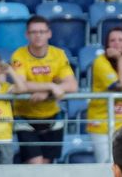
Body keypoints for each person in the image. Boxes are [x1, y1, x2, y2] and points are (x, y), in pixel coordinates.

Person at [11, 14, 77, 164]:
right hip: (25, 117)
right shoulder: (19, 55)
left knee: (46, 166)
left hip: (52, 116)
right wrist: (51, 86)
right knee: (35, 164)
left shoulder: (58, 54)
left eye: (42, 31)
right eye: (34, 32)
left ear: (49, 33)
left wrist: (46, 93)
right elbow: (21, 85)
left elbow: (72, 85)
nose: (38, 35)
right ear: (27, 35)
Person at [86, 26, 122, 163]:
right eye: (112, 40)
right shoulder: (100, 61)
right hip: (102, 123)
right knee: (106, 164)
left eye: (121, 40)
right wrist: (120, 58)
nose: (117, 43)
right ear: (107, 45)